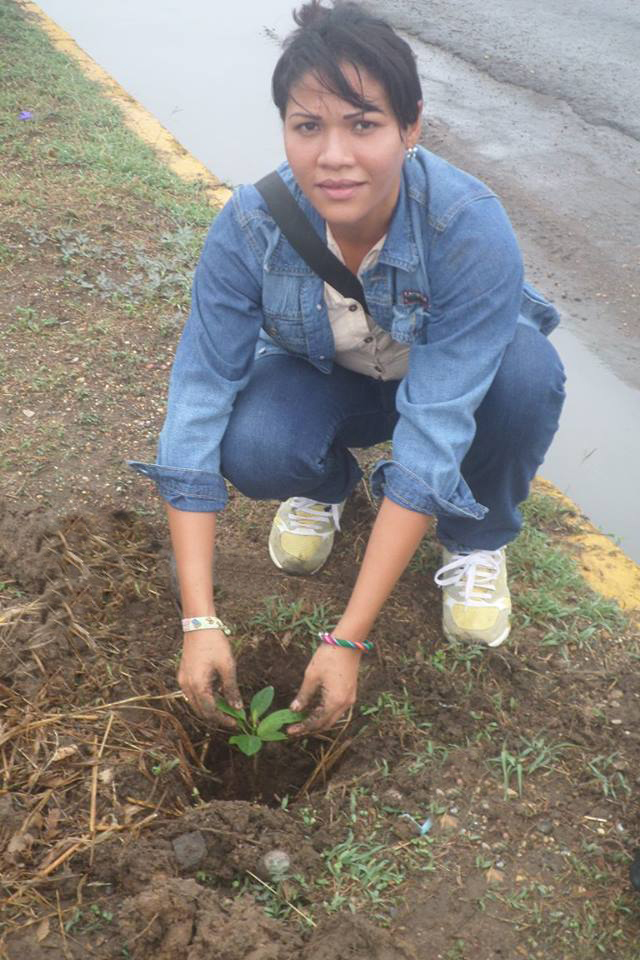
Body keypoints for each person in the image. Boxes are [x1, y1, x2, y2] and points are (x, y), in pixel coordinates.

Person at [130, 0, 565, 735]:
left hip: (439, 382)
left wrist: (348, 638)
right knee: (256, 444)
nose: (333, 156)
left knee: (526, 377)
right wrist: (198, 618)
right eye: (308, 126)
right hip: (331, 374)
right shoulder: (249, 227)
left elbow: (434, 430)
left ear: (411, 126)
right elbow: (200, 395)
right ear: (285, 131)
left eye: (363, 124)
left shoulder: (466, 225)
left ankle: (476, 541)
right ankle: (329, 488)